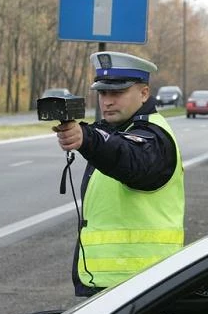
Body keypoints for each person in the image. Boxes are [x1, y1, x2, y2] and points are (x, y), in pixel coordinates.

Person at [53, 51, 185, 297]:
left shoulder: (153, 136)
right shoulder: (116, 129)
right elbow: (111, 143)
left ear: (144, 93)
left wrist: (87, 139)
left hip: (145, 285)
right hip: (110, 283)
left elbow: (128, 157)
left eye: (117, 93)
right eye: (103, 93)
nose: (107, 101)